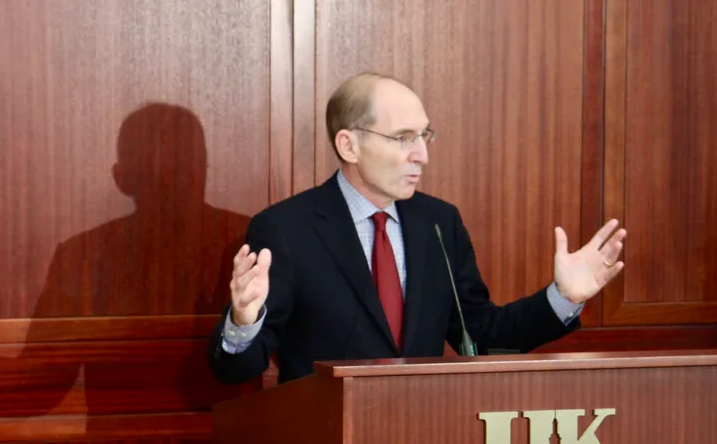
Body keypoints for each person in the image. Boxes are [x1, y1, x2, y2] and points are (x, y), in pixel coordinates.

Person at [207, 72, 626, 384]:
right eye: (404, 137)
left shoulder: (439, 223)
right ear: (348, 145)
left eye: (424, 136)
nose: (422, 155)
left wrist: (563, 298)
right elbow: (236, 370)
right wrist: (243, 322)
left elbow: (478, 337)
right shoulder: (285, 229)